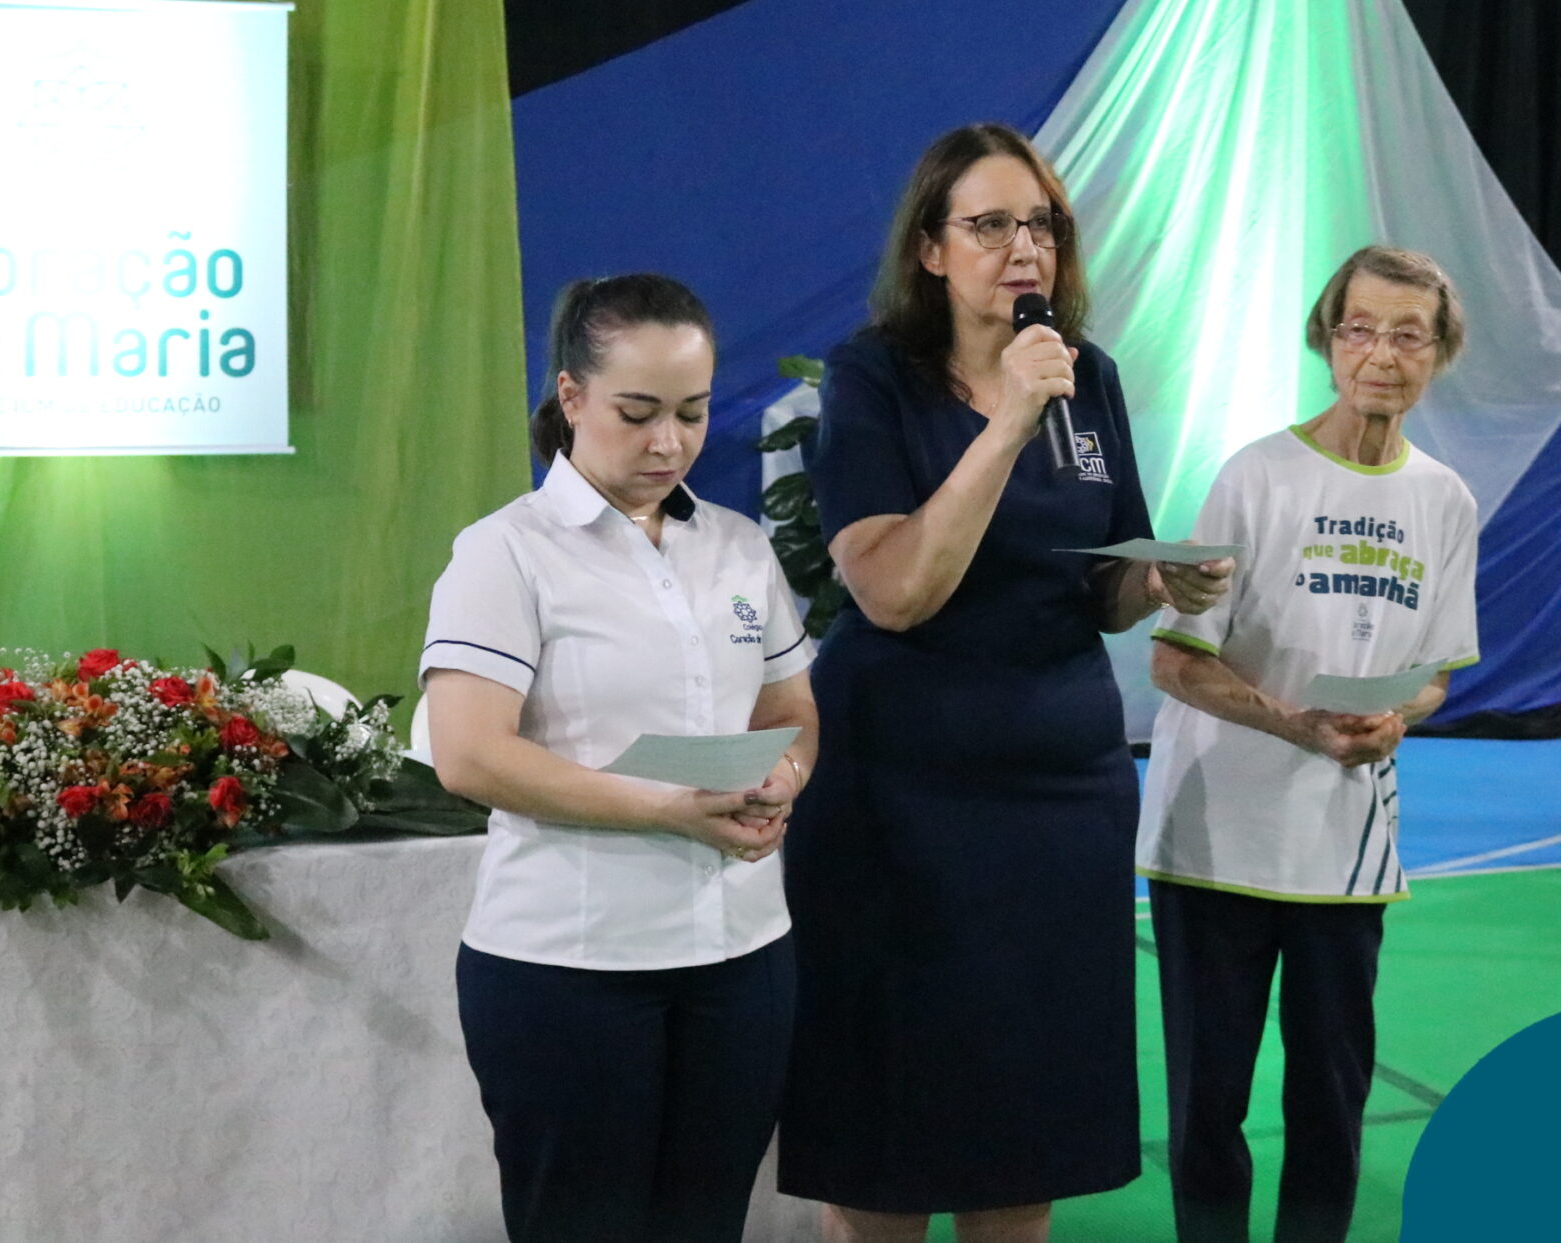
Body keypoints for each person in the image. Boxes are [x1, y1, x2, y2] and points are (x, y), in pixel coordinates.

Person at [779, 123, 1233, 1243]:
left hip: (1058, 795)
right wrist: (1010, 419)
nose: (1023, 247)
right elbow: (895, 590)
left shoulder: (1090, 375)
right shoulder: (874, 375)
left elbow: (1101, 582)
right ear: (930, 249)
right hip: (898, 793)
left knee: (1030, 1122)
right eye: (989, 225)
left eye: (1040, 224)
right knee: (888, 1139)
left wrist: (1160, 579)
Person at [422, 273, 819, 1243]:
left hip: (742, 958)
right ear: (571, 397)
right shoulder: (505, 552)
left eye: (692, 413)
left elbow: (789, 707)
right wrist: (667, 809)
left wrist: (786, 778)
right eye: (637, 414)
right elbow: (469, 756)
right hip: (571, 966)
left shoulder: (736, 546)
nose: (668, 443)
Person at [1138, 246, 1482, 1243]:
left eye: (1408, 335)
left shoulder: (1446, 501)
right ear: (1328, 343)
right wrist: (1291, 721)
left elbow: (1435, 673)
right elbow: (1175, 663)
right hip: (1214, 844)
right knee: (1209, 1100)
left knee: (1331, 1100)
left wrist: (1399, 716)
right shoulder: (1255, 476)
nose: (1383, 355)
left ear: (1438, 354)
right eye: (1360, 330)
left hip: (1346, 848)